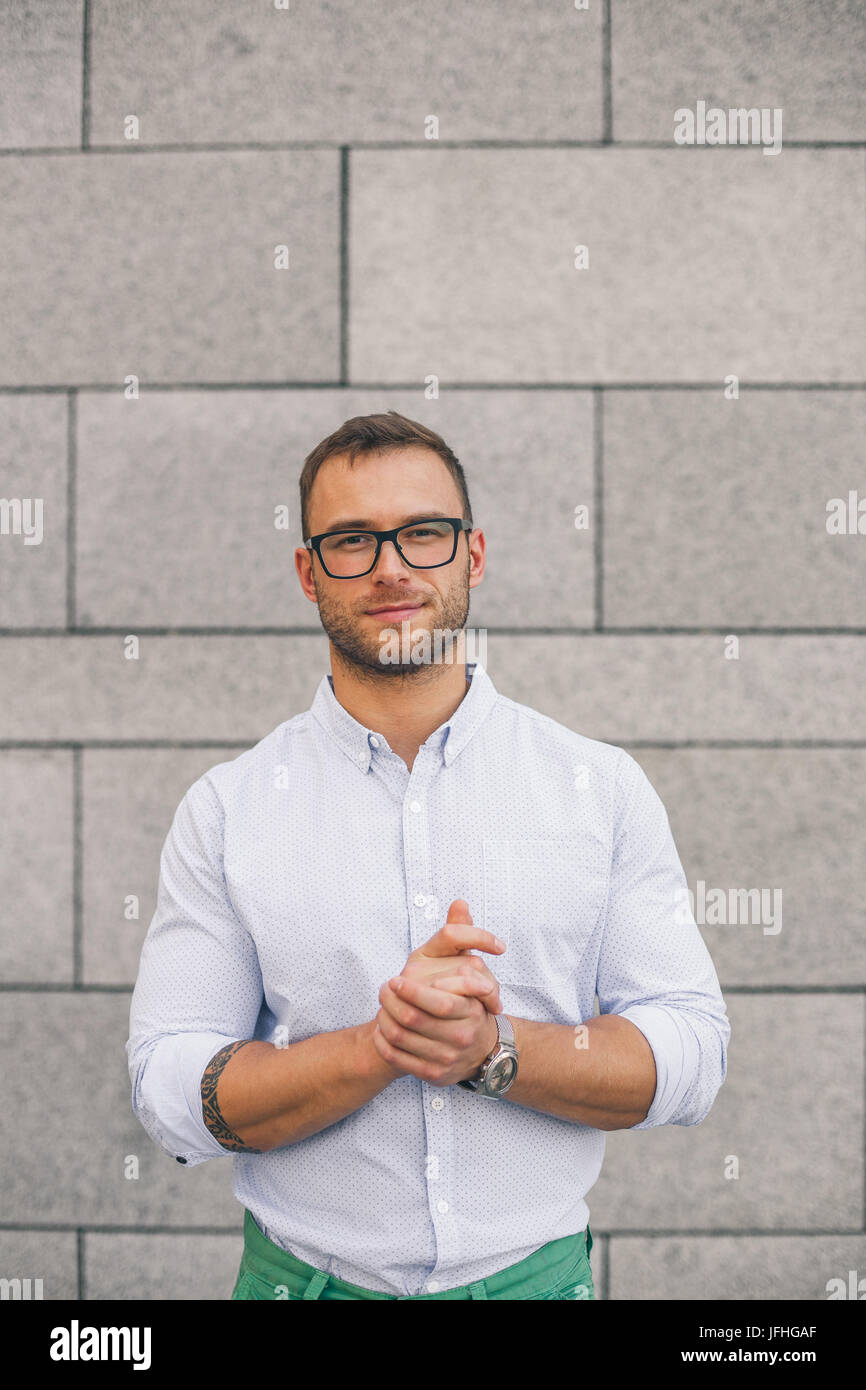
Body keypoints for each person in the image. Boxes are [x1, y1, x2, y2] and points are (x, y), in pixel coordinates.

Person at [126, 410, 730, 1301]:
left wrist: (493, 1048)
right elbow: (170, 1087)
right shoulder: (228, 810)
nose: (391, 567)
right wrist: (382, 1046)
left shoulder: (597, 788)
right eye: (351, 541)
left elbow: (691, 1054)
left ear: (472, 556)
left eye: (423, 534)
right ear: (307, 571)